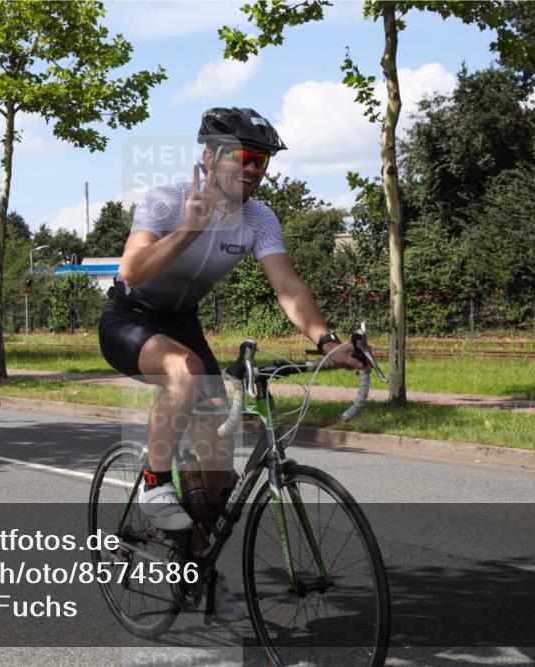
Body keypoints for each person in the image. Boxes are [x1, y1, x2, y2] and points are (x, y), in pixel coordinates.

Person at [98, 107, 367, 620]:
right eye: (244, 158)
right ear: (210, 157)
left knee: (217, 457)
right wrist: (190, 230)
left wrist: (325, 340)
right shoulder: (167, 200)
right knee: (183, 371)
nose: (252, 170)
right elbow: (131, 269)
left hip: (181, 320)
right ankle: (155, 483)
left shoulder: (260, 219)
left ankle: (198, 567)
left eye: (260, 162)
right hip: (128, 317)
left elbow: (287, 286)